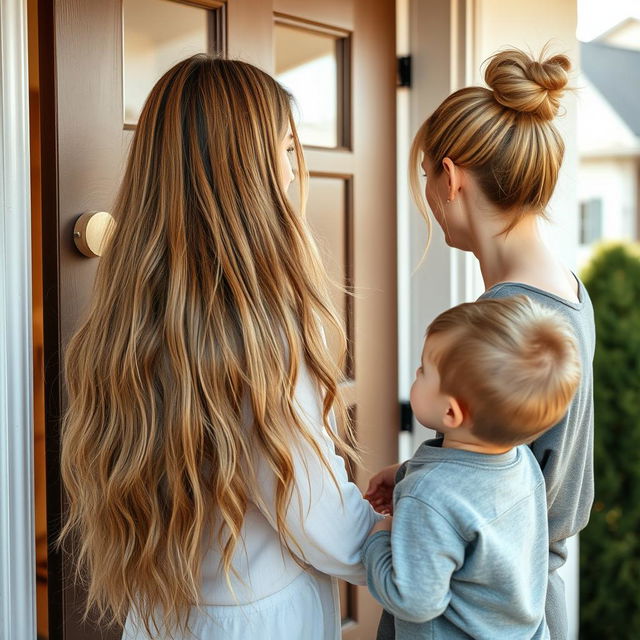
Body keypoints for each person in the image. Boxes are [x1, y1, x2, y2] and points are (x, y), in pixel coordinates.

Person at [58, 55, 381, 640]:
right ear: (245, 173)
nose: (291, 170)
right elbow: (315, 514)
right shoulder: (263, 331)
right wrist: (401, 543)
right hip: (260, 620)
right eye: (284, 149)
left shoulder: (130, 313)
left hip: (162, 616)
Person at [367, 48, 595, 639]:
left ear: (451, 177)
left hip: (476, 614)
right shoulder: (567, 292)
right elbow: (500, 460)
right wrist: (417, 470)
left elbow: (540, 502)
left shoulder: (508, 319)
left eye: (425, 178)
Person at [363, 295, 581, 639]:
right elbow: (473, 494)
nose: (415, 374)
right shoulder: (522, 462)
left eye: (423, 371)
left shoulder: (430, 497)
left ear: (450, 413)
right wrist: (406, 473)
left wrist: (378, 536)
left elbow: (414, 600)